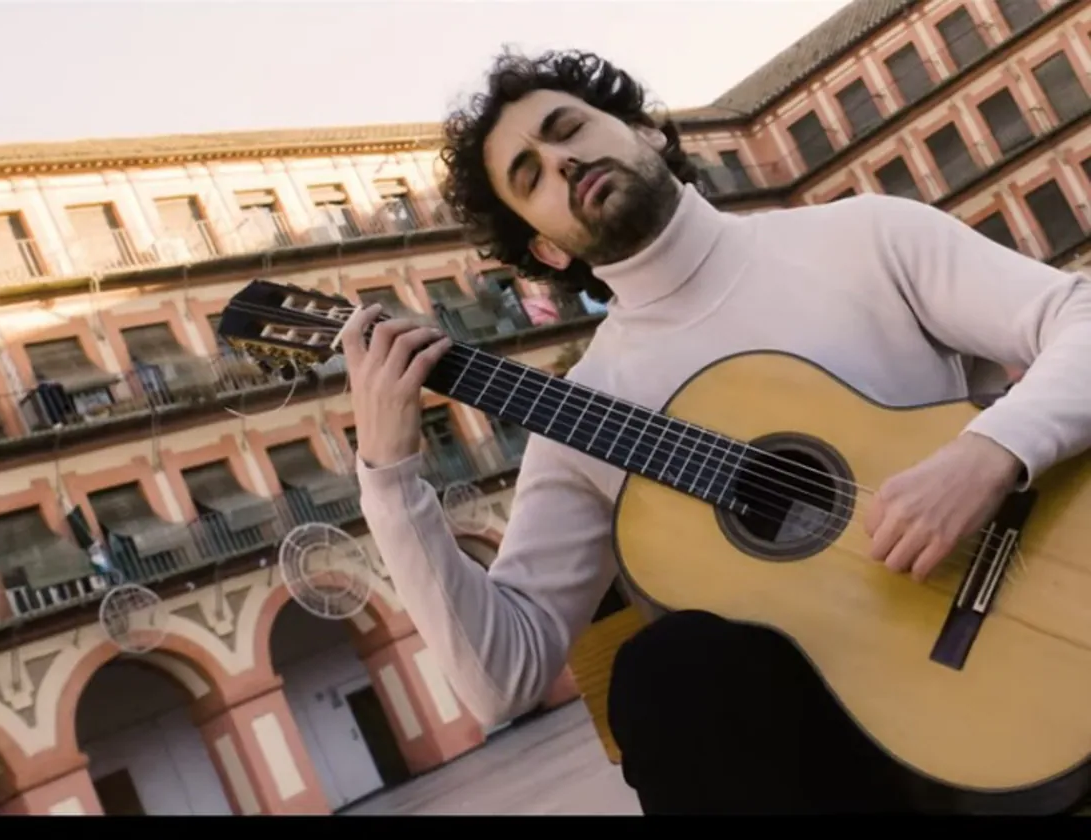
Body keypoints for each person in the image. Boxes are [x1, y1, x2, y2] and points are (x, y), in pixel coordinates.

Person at [336, 48, 1091, 814]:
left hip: (1033, 611)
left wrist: (990, 451)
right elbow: (503, 677)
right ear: (546, 248)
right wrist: (389, 480)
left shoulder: (863, 236)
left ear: (645, 132)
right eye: (529, 175)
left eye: (567, 129)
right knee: (665, 674)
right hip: (843, 764)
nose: (560, 160)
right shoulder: (585, 416)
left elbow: (1081, 315)